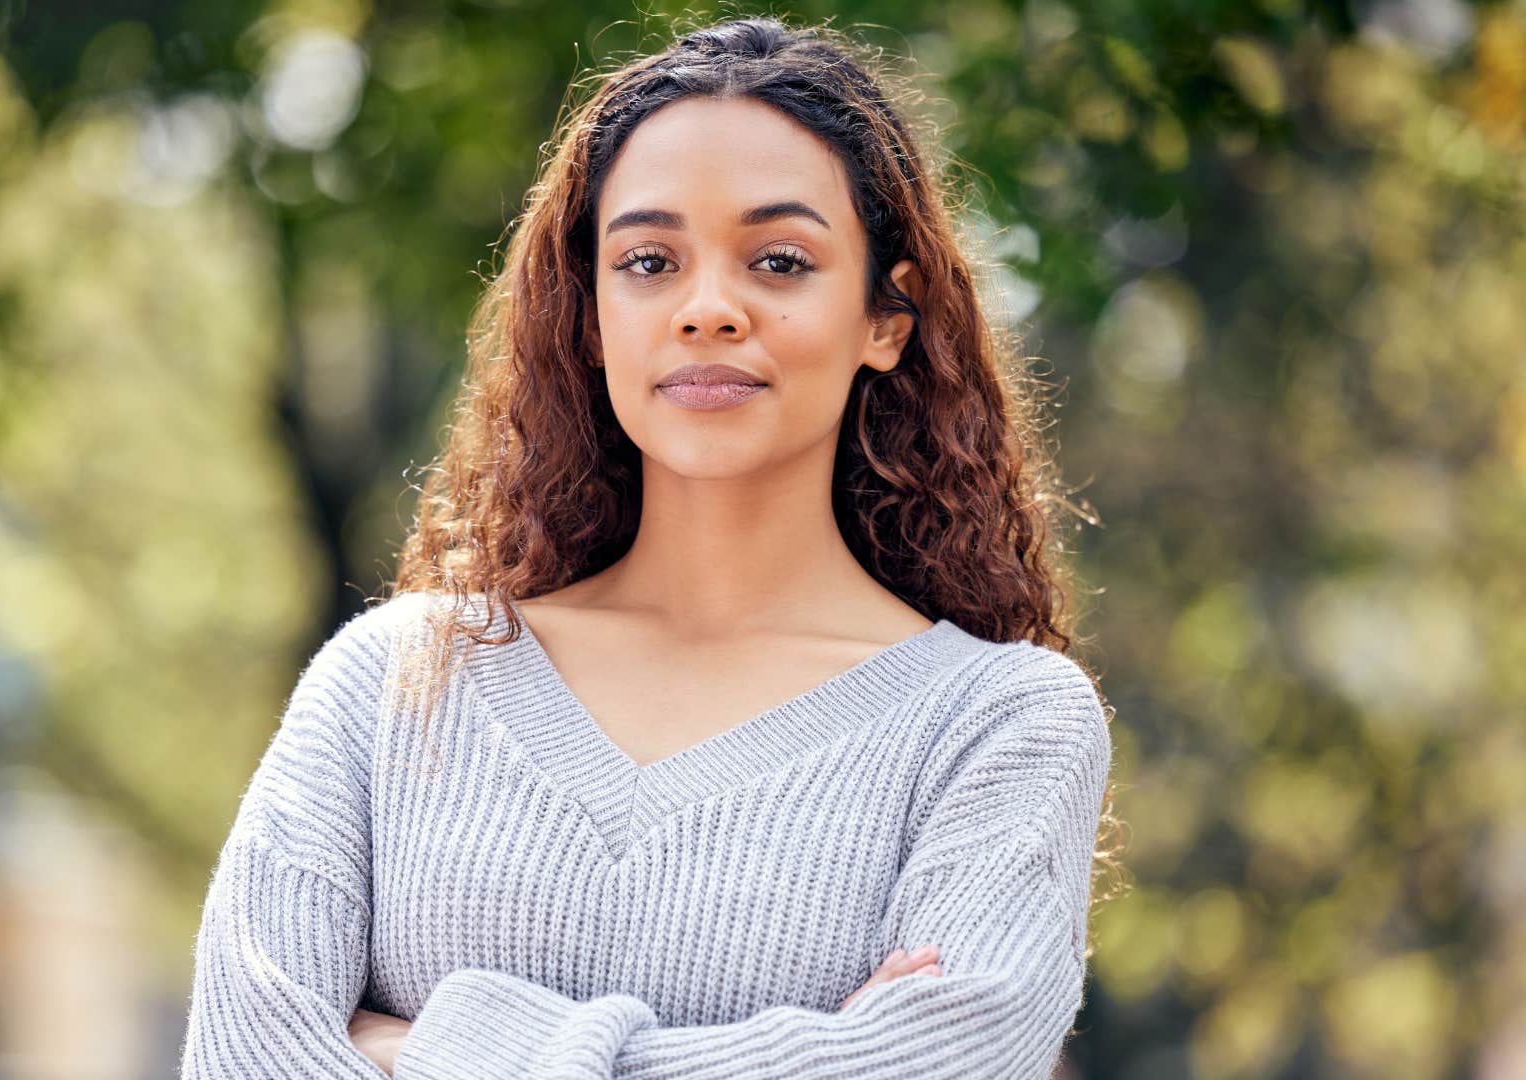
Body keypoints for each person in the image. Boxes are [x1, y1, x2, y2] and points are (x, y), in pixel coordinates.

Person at [180, 14, 1123, 1079]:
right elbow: (241, 1059)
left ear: (885, 321)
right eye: (647, 260)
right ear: (589, 315)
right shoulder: (392, 684)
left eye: (779, 260)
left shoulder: (998, 725)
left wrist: (432, 1047)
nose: (709, 309)